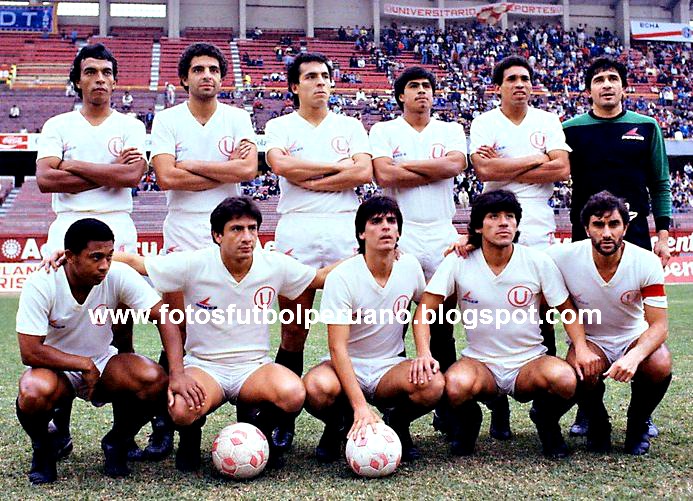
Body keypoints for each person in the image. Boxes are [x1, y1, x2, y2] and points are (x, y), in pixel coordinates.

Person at [114, 197, 335, 471]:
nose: (247, 237)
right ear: (217, 235)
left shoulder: (274, 264)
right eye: (237, 229)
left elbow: (320, 278)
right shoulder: (194, 263)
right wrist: (72, 256)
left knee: (293, 393)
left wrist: (368, 256)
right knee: (180, 408)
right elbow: (136, 263)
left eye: (252, 229)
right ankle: (190, 440)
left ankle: (258, 431)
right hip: (205, 366)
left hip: (253, 368)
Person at [34, 43, 155, 459]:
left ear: (115, 81)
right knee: (61, 328)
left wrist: (72, 165)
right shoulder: (58, 125)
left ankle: (121, 435)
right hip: (67, 229)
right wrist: (110, 172)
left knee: (121, 328)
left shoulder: (131, 125)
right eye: (90, 72)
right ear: (77, 79)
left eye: (106, 72)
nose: (99, 79)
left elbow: (133, 176)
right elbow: (46, 180)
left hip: (117, 227)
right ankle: (59, 430)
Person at [414, 190, 596, 458]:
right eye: (494, 216)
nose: (504, 223)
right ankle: (471, 422)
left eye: (510, 217)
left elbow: (567, 311)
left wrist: (580, 347)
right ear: (478, 227)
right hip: (481, 363)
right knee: (454, 385)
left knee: (565, 379)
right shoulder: (458, 261)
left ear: (517, 224)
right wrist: (423, 353)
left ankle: (546, 421)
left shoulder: (537, 261)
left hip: (528, 362)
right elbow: (423, 312)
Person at [150, 42, 258, 455]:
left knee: (234, 317)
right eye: (198, 69)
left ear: (222, 77)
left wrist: (190, 164)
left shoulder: (238, 117)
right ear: (184, 78)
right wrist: (223, 170)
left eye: (213, 69)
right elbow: (165, 177)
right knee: (176, 326)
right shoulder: (167, 119)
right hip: (183, 229)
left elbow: (248, 169)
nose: (207, 75)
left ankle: (250, 414)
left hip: (229, 231)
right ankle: (172, 424)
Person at [15, 219, 178, 484]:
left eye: (109, 256)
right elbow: (30, 351)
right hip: (56, 368)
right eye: (96, 257)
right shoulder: (42, 282)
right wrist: (83, 364)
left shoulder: (117, 274)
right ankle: (44, 447)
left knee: (154, 379)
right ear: (70, 256)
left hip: (103, 361)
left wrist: (177, 373)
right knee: (33, 391)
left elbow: (165, 317)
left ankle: (117, 441)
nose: (104, 265)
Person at [264, 52, 372, 448]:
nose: (320, 82)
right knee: (294, 329)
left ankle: (338, 420)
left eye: (325, 76)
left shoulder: (350, 125)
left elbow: (363, 172)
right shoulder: (279, 125)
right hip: (297, 225)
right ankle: (283, 416)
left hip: (344, 224)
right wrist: (337, 169)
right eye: (310, 77)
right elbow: (280, 166)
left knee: (351, 328)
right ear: (295, 86)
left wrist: (309, 176)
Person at [562, 57, 672, 438]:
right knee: (583, 315)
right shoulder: (570, 130)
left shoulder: (646, 126)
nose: (606, 85)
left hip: (635, 235)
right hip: (588, 236)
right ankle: (588, 408)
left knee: (640, 320)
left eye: (613, 79)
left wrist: (662, 234)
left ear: (624, 87)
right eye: (599, 80)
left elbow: (660, 182)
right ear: (588, 89)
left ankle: (643, 411)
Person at [469, 55, 572, 439]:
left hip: (538, 225)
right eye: (511, 79)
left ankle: (544, 405)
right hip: (496, 219)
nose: (520, 84)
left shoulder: (547, 120)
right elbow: (485, 170)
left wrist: (508, 164)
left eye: (525, 78)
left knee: (542, 308)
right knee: (491, 307)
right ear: (498, 87)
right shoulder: (484, 122)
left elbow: (562, 169)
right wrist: (537, 159)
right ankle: (497, 402)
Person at [303, 196, 444, 463]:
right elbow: (337, 348)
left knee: (433, 383)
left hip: (388, 367)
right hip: (347, 365)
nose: (386, 227)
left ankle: (397, 423)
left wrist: (424, 353)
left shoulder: (410, 266)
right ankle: (340, 425)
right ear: (361, 233)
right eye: (376, 221)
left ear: (399, 232)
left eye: (391, 221)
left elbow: (425, 309)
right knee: (315, 387)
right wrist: (359, 406)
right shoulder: (342, 276)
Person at [369, 65, 466, 434]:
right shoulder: (384, 130)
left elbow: (456, 164)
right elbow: (384, 174)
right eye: (414, 86)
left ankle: (447, 407)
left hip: (441, 230)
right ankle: (396, 404)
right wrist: (435, 169)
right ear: (401, 95)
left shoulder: (450, 129)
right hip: (401, 234)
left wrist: (404, 164)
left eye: (427, 86)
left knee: (442, 324)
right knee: (392, 319)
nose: (422, 91)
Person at [546, 191, 672, 455]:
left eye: (614, 224)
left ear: (625, 228)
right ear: (586, 228)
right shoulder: (562, 256)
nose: (606, 233)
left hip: (632, 337)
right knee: (579, 367)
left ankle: (637, 423)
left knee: (660, 363)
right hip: (591, 340)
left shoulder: (645, 261)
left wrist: (634, 357)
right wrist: (471, 242)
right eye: (598, 224)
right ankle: (597, 421)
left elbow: (659, 326)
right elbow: (517, 255)